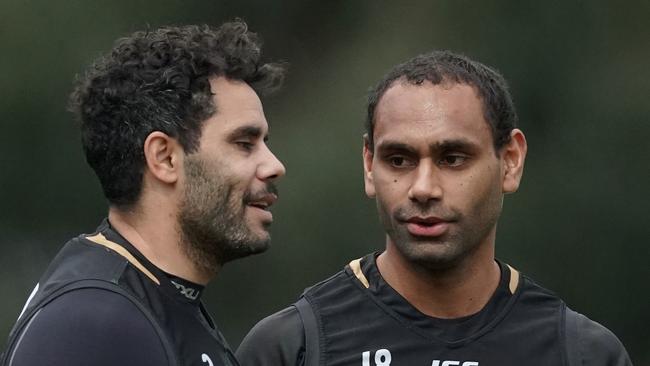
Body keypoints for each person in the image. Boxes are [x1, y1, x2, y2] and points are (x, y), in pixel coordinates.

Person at [236, 50, 632, 366]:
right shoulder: (292, 348)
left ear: (510, 160)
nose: (423, 189)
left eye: (453, 158)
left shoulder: (582, 353)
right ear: (368, 166)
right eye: (399, 160)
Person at [2, 21, 285, 366]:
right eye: (244, 144)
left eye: (264, 144)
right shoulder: (93, 324)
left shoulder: (156, 302)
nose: (274, 166)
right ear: (164, 158)